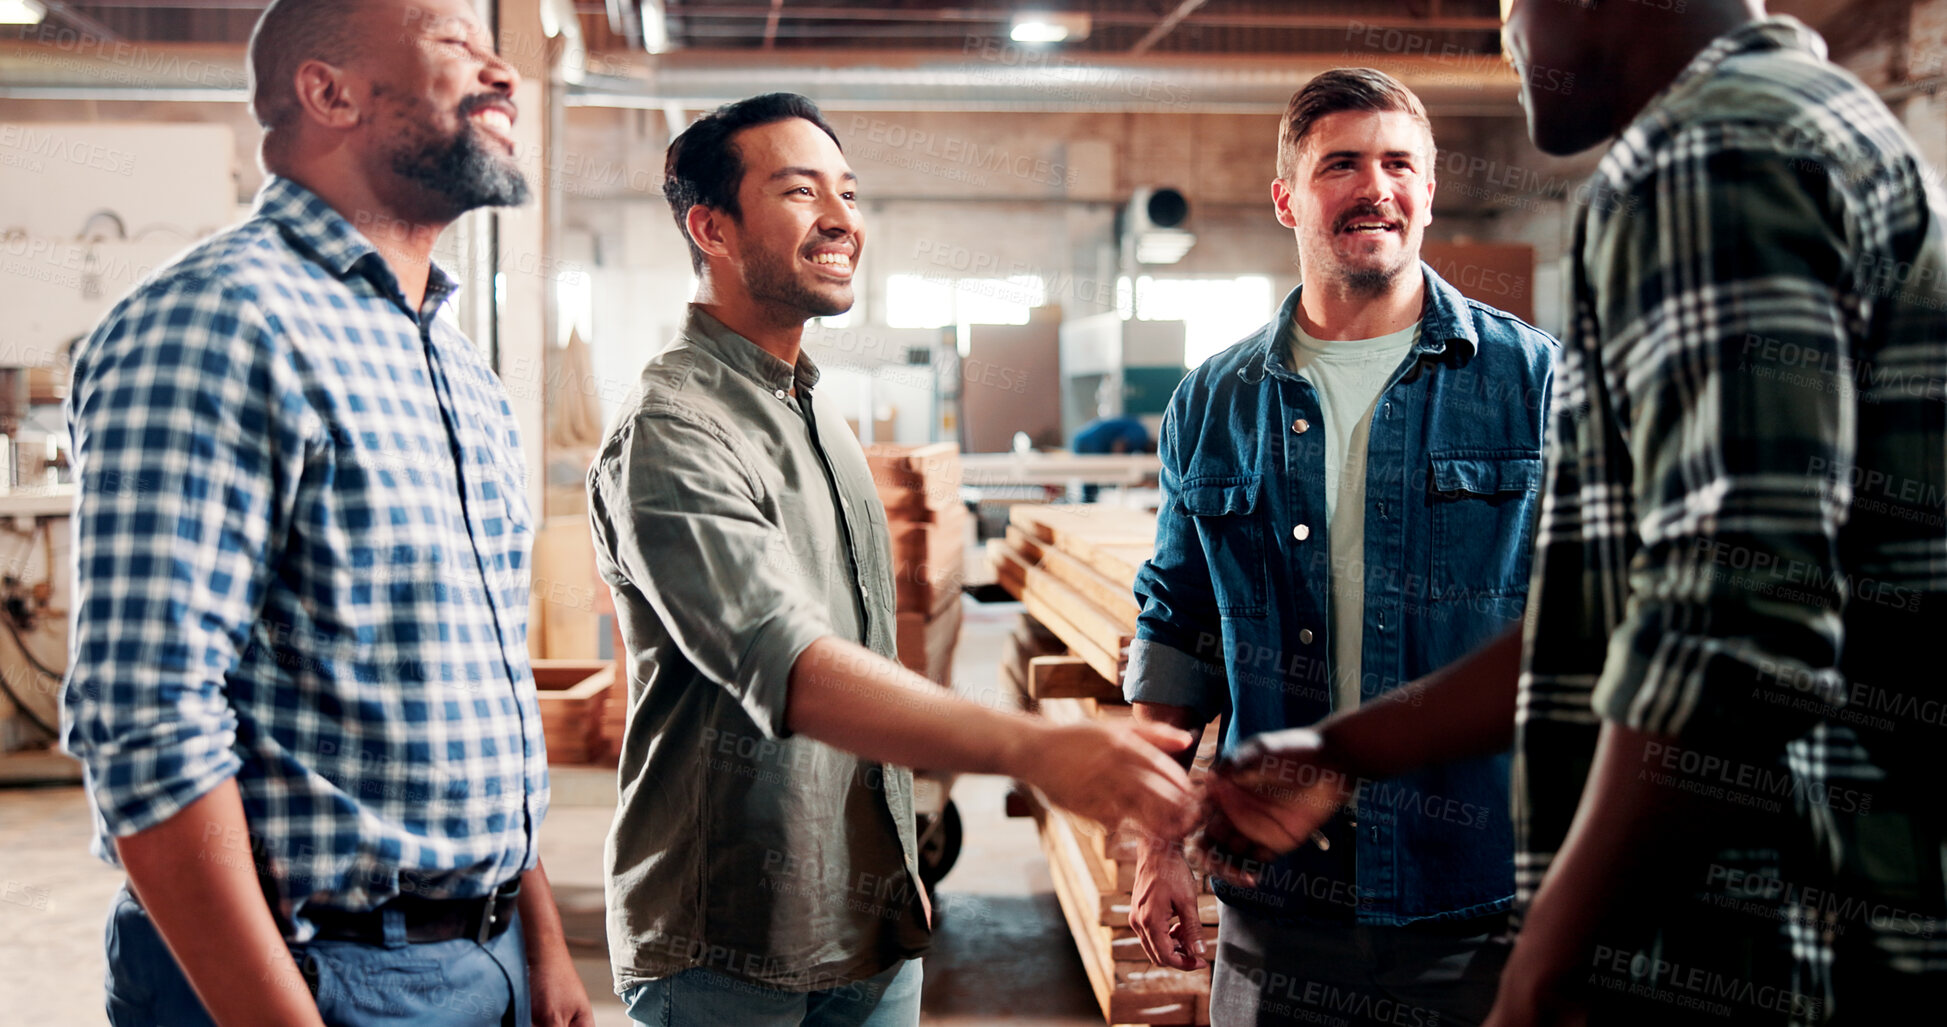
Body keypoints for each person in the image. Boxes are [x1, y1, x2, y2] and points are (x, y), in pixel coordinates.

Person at [1195, 4, 1947, 1025]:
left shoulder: (1709, 153)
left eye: (1511, 3)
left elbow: (1731, 617)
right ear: (1289, 199)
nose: (1508, 36)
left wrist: (1549, 959)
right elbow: (1614, 617)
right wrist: (1346, 750)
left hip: (1767, 927)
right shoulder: (1808, 122)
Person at [587, 92, 1199, 1027]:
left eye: (849, 192)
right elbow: (789, 664)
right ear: (709, 227)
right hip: (728, 941)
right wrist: (1032, 747)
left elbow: (868, 647)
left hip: (869, 925)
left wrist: (894, 858)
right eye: (800, 192)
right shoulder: (676, 428)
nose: (841, 220)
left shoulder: (812, 407)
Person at [59, 1, 595, 1025]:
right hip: (316, 973)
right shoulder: (218, 321)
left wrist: (540, 947)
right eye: (455, 44)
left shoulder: (452, 361)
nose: (504, 75)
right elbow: (147, 721)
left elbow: (473, 686)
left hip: (486, 961)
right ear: (329, 91)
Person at [1124, 69, 1557, 1026]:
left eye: (1400, 163)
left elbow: (1588, 636)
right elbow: (1176, 621)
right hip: (1276, 908)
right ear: (1286, 197)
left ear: (1430, 189)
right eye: (1341, 165)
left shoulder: (1533, 385)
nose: (1376, 187)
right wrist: (1158, 843)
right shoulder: (1214, 399)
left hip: (1476, 900)